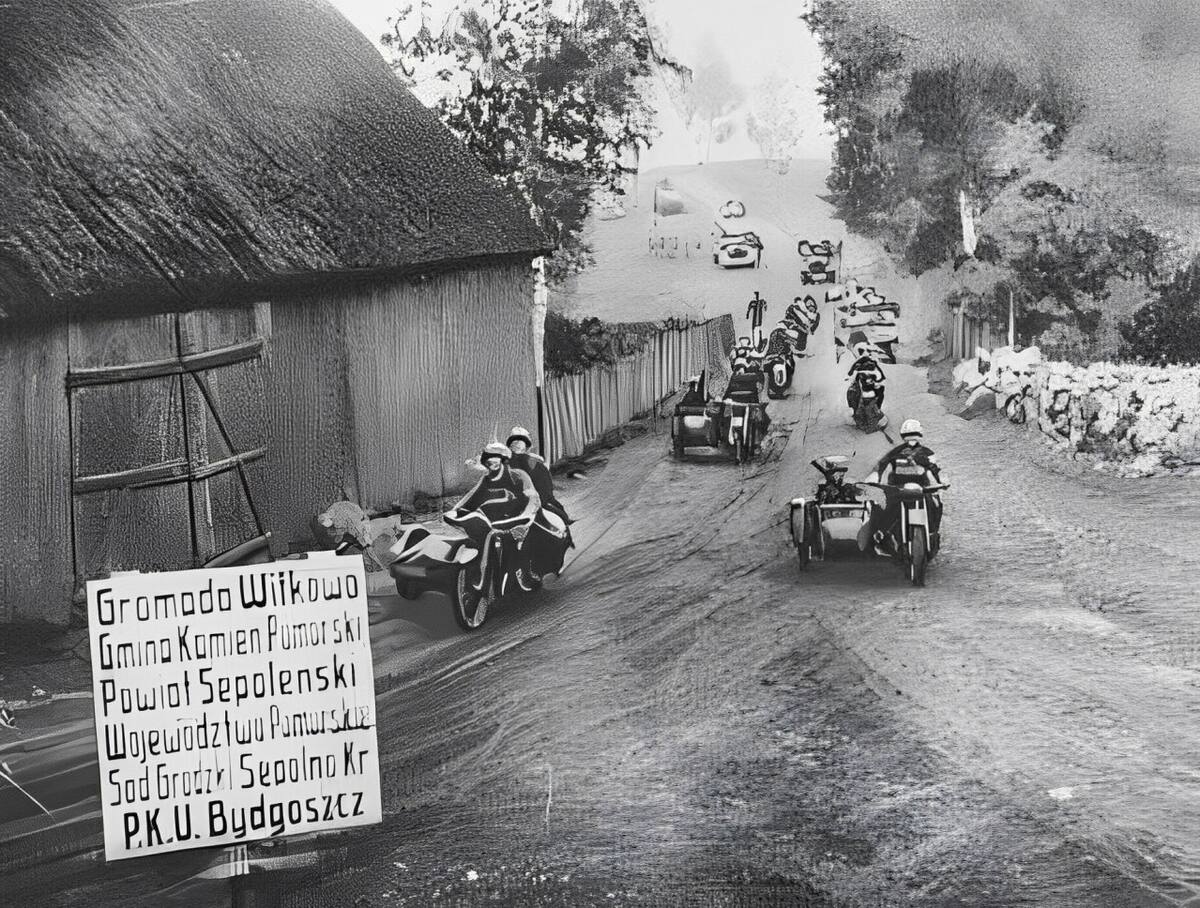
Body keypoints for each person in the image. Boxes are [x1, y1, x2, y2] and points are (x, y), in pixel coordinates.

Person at [862, 419, 947, 555]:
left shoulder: (927, 454)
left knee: (936, 505)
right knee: (882, 508)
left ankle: (932, 533)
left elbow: (935, 470)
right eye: (909, 435)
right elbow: (883, 470)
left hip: (922, 491)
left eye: (914, 435)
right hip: (898, 492)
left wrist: (942, 482)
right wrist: (876, 481)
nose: (911, 440)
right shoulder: (896, 454)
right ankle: (882, 536)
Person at [506, 426, 573, 525]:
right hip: (529, 490)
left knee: (548, 503)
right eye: (515, 443)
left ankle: (564, 520)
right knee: (550, 503)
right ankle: (564, 519)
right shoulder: (524, 460)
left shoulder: (530, 460)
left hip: (536, 490)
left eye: (519, 442)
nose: (517, 445)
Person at [846, 344, 886, 413]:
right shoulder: (867, 362)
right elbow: (881, 377)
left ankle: (874, 409)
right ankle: (876, 409)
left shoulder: (865, 362)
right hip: (865, 385)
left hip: (867, 385)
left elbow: (850, 373)